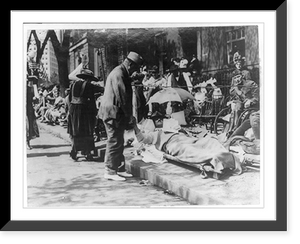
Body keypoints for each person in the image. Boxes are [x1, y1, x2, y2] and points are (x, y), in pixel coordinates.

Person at [132, 115, 242, 179]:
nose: (160, 121)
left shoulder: (172, 128)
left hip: (187, 139)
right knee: (190, 151)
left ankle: (227, 156)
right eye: (157, 120)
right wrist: (135, 128)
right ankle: (215, 158)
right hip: (173, 144)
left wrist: (183, 132)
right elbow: (142, 139)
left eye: (161, 119)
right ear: (155, 123)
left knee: (209, 141)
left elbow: (189, 134)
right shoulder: (154, 135)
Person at [98, 51, 143, 181]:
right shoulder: (119, 73)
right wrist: (129, 116)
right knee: (114, 140)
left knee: (119, 140)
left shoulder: (120, 71)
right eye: (134, 68)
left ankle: (119, 168)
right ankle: (110, 171)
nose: (134, 71)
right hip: (113, 112)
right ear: (129, 64)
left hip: (113, 111)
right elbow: (123, 98)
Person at [67, 69, 101, 161]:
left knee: (76, 130)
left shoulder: (73, 85)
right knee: (87, 130)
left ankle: (74, 151)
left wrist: (70, 110)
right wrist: (94, 112)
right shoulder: (88, 85)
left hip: (74, 109)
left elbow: (69, 98)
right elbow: (92, 100)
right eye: (90, 79)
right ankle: (87, 152)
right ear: (87, 78)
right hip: (84, 110)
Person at [26, 75, 40, 149]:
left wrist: (34, 99)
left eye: (31, 81)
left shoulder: (31, 89)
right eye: (29, 81)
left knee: (29, 126)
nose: (30, 83)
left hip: (29, 109)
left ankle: (27, 142)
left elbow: (34, 100)